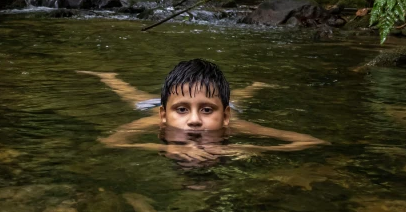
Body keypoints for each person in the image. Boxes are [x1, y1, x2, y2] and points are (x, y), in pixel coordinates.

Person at [78, 59, 327, 163]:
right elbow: (111, 142)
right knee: (134, 98)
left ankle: (256, 86)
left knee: (239, 98)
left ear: (225, 117)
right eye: (183, 110)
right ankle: (109, 78)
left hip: (228, 107)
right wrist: (167, 148)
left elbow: (310, 141)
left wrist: (252, 148)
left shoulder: (234, 123)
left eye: (206, 110)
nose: (194, 121)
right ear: (164, 116)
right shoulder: (155, 121)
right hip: (157, 107)